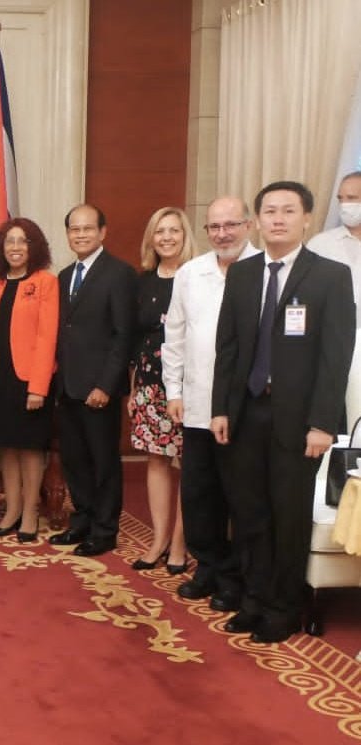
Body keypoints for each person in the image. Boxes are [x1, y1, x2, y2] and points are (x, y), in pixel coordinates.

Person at [211, 180, 355, 643]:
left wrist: (321, 423)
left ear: (307, 218)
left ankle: (284, 607)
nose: (278, 219)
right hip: (247, 411)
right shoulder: (244, 273)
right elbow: (227, 348)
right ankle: (253, 600)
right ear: (257, 220)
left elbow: (336, 358)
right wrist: (221, 409)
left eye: (288, 211)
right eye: (269, 211)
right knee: (249, 512)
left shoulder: (330, 276)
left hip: (298, 421)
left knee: (288, 515)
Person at [162, 196, 259, 609]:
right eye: (215, 227)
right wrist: (175, 391)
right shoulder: (190, 273)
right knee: (199, 493)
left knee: (239, 494)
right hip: (198, 405)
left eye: (231, 225)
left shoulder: (261, 272)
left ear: (248, 225)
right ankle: (209, 568)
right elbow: (175, 338)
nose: (223, 233)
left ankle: (237, 577)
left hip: (246, 410)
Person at [52, 204, 137, 557]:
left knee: (103, 462)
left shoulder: (120, 274)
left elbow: (123, 335)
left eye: (88, 228)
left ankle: (104, 530)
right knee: (74, 460)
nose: (81, 234)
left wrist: (106, 385)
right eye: (74, 229)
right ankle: (82, 521)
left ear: (103, 232)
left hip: (98, 388)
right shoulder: (64, 275)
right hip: (68, 385)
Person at [127, 207, 196, 573]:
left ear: (185, 236)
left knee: (186, 463)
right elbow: (136, 339)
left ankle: (180, 544)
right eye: (160, 231)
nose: (167, 238)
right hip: (150, 385)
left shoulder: (199, 277)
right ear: (151, 238)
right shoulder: (143, 281)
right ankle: (158, 538)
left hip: (189, 387)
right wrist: (134, 387)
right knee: (155, 460)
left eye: (174, 231)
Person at [0, 217, 59, 542]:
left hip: (30, 379)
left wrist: (38, 387)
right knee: (7, 448)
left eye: (22, 241)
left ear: (33, 246)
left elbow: (47, 337)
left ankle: (30, 513)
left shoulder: (45, 282)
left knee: (30, 449)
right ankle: (11, 509)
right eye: (9, 241)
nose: (15, 247)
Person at [308, 171, 361, 326]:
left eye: (351, 198)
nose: (344, 205)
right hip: (332, 336)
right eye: (340, 199)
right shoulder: (320, 244)